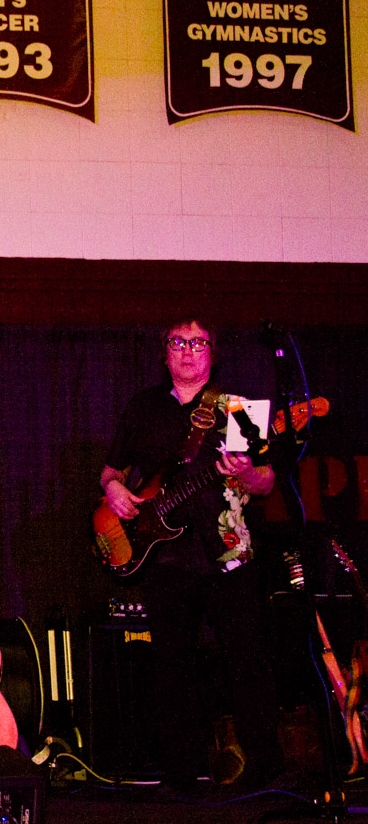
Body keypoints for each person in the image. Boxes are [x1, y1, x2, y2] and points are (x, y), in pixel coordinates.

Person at [100, 317, 281, 790]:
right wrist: (116, 489)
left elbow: (265, 481)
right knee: (172, 666)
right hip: (166, 555)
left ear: (212, 353)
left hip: (228, 550)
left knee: (246, 659)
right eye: (178, 342)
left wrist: (245, 474)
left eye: (198, 343)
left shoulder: (236, 408)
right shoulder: (143, 408)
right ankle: (179, 774)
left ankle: (264, 769)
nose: (187, 350)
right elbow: (109, 471)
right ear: (165, 354)